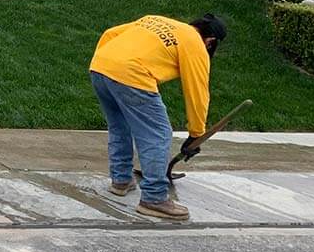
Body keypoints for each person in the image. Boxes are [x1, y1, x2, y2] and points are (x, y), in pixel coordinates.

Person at [89, 13, 227, 222]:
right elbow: (197, 90)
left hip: (100, 66)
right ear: (210, 41)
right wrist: (196, 133)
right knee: (158, 134)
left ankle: (121, 180)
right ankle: (154, 198)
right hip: (132, 73)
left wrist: (105, 63)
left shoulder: (156, 20)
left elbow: (110, 33)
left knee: (120, 127)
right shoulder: (194, 42)